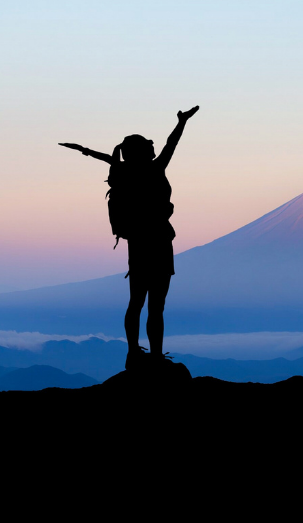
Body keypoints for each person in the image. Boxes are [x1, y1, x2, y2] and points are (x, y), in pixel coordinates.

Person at [60, 106, 199, 369]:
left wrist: (85, 151)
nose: (154, 149)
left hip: (137, 243)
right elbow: (172, 143)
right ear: (145, 151)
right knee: (156, 304)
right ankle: (156, 356)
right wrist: (182, 122)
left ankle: (133, 352)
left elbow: (109, 160)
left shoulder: (124, 173)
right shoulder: (156, 169)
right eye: (149, 147)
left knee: (136, 301)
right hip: (159, 241)